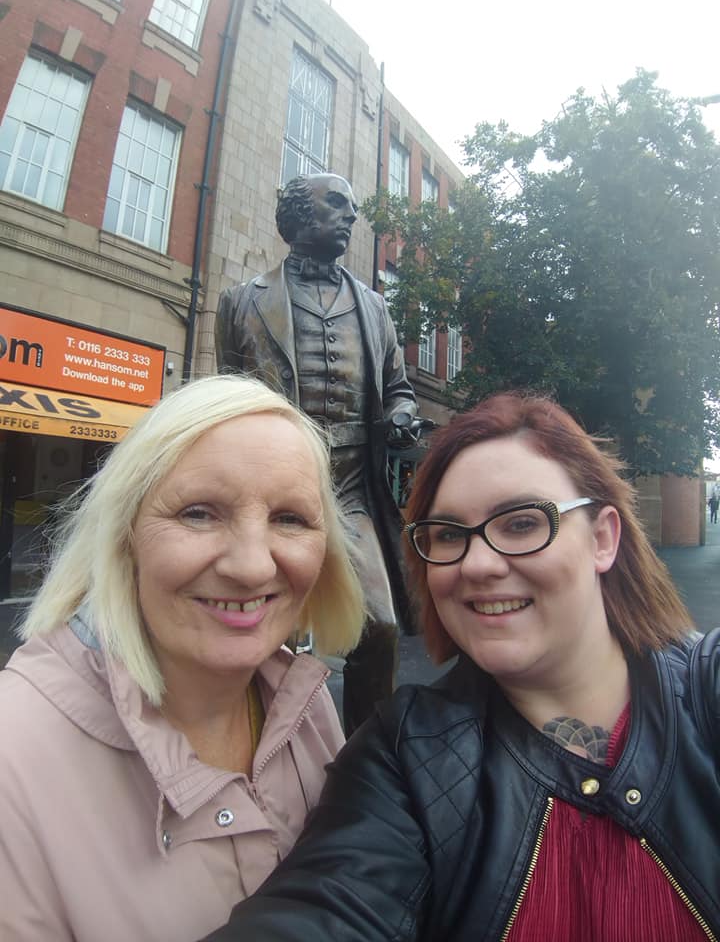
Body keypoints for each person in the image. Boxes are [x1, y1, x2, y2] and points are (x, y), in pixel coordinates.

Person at [202, 391, 720, 942]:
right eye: (449, 535)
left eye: (521, 524)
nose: (478, 564)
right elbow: (327, 906)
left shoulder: (707, 688)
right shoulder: (405, 757)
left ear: (602, 538)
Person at [0, 374, 364, 942]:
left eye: (289, 518)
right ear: (124, 535)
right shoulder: (13, 759)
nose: (252, 566)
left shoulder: (305, 703)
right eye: (198, 513)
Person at [215, 172, 421, 733]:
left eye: (352, 206)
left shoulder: (374, 307)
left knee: (379, 628)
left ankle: (368, 757)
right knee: (263, 630)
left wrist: (401, 415)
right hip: (273, 490)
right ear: (301, 214)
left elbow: (398, 389)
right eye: (337, 203)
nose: (351, 215)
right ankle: (259, 743)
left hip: (351, 488)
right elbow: (223, 401)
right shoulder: (241, 302)